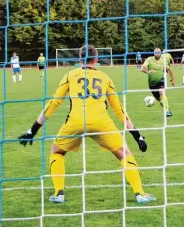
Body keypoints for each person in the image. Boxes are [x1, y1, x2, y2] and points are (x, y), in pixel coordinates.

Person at [18, 45, 157, 204]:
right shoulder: (105, 77)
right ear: (96, 60)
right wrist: (137, 135)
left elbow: (54, 103)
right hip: (101, 122)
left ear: (79, 60)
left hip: (76, 121)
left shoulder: (70, 75)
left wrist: (32, 130)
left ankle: (59, 193)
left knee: (57, 151)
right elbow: (118, 109)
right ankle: (140, 194)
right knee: (124, 154)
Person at [141, 48, 173, 117]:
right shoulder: (149, 59)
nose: (157, 54)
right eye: (156, 53)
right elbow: (142, 69)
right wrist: (148, 71)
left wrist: (172, 79)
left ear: (161, 53)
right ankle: (165, 108)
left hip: (161, 80)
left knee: (162, 92)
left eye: (159, 53)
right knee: (160, 99)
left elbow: (169, 69)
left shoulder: (163, 61)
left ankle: (167, 110)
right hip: (152, 84)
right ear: (154, 53)